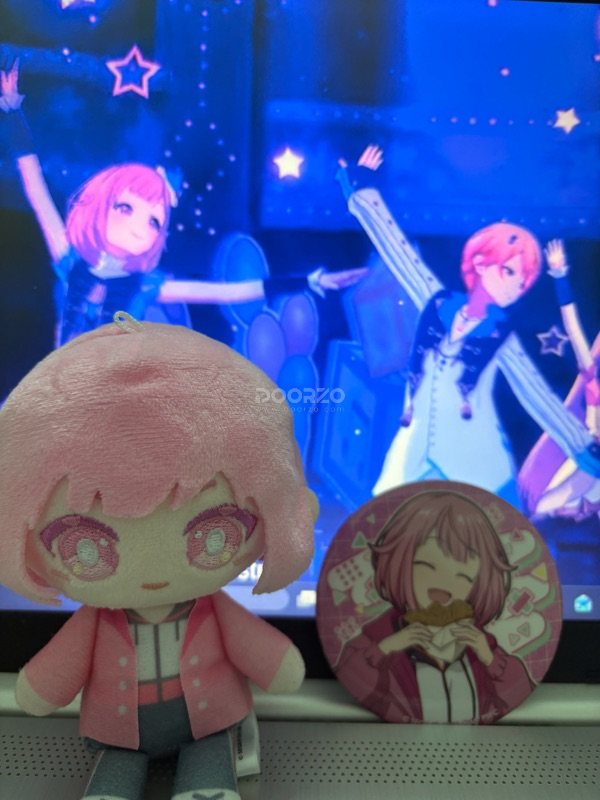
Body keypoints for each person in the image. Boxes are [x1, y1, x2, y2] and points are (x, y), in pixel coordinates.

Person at [0, 316, 317, 800]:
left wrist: (278, 665)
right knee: (117, 766)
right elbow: (54, 674)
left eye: (215, 535)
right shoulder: (97, 624)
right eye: (85, 546)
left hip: (209, 724)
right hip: (120, 732)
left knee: (210, 757)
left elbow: (264, 654)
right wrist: (42, 688)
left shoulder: (213, 612)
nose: (151, 576)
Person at [0, 60, 365, 345]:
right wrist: (13, 112)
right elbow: (36, 191)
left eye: (153, 221)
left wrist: (312, 281)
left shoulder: (146, 286)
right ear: (100, 206)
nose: (138, 226)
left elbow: (229, 292)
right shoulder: (70, 260)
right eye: (126, 208)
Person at [338, 145, 600, 505]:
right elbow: (398, 253)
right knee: (391, 525)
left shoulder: (500, 335)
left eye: (522, 281)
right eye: (509, 271)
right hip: (413, 454)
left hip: (474, 463)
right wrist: (362, 190)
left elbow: (539, 398)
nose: (515, 286)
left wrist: (584, 447)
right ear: (480, 263)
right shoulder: (438, 301)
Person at [334, 490, 533, 724]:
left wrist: (489, 659)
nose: (443, 587)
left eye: (463, 577)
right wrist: (386, 648)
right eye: (426, 566)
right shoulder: (377, 641)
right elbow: (353, 677)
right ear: (399, 563)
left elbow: (516, 691)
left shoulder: (480, 646)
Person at [519, 239, 600, 520]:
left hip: (590, 462)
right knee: (540, 507)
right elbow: (574, 331)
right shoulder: (593, 379)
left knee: (545, 506)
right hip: (590, 457)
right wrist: (560, 277)